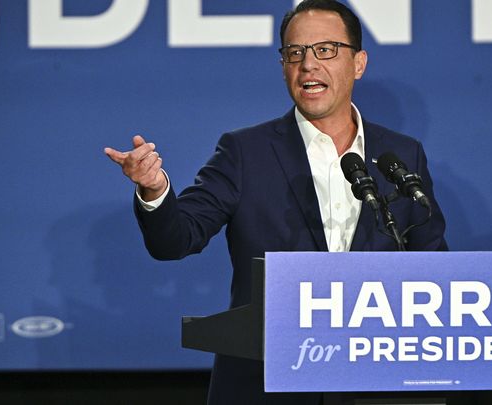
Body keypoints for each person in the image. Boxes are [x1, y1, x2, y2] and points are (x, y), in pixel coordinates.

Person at [105, 1, 447, 403]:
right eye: (295, 52)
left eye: (325, 50)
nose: (308, 64)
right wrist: (154, 190)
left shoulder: (401, 154)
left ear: (359, 63)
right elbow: (176, 239)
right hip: (267, 382)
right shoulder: (245, 152)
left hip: (373, 382)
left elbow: (433, 268)